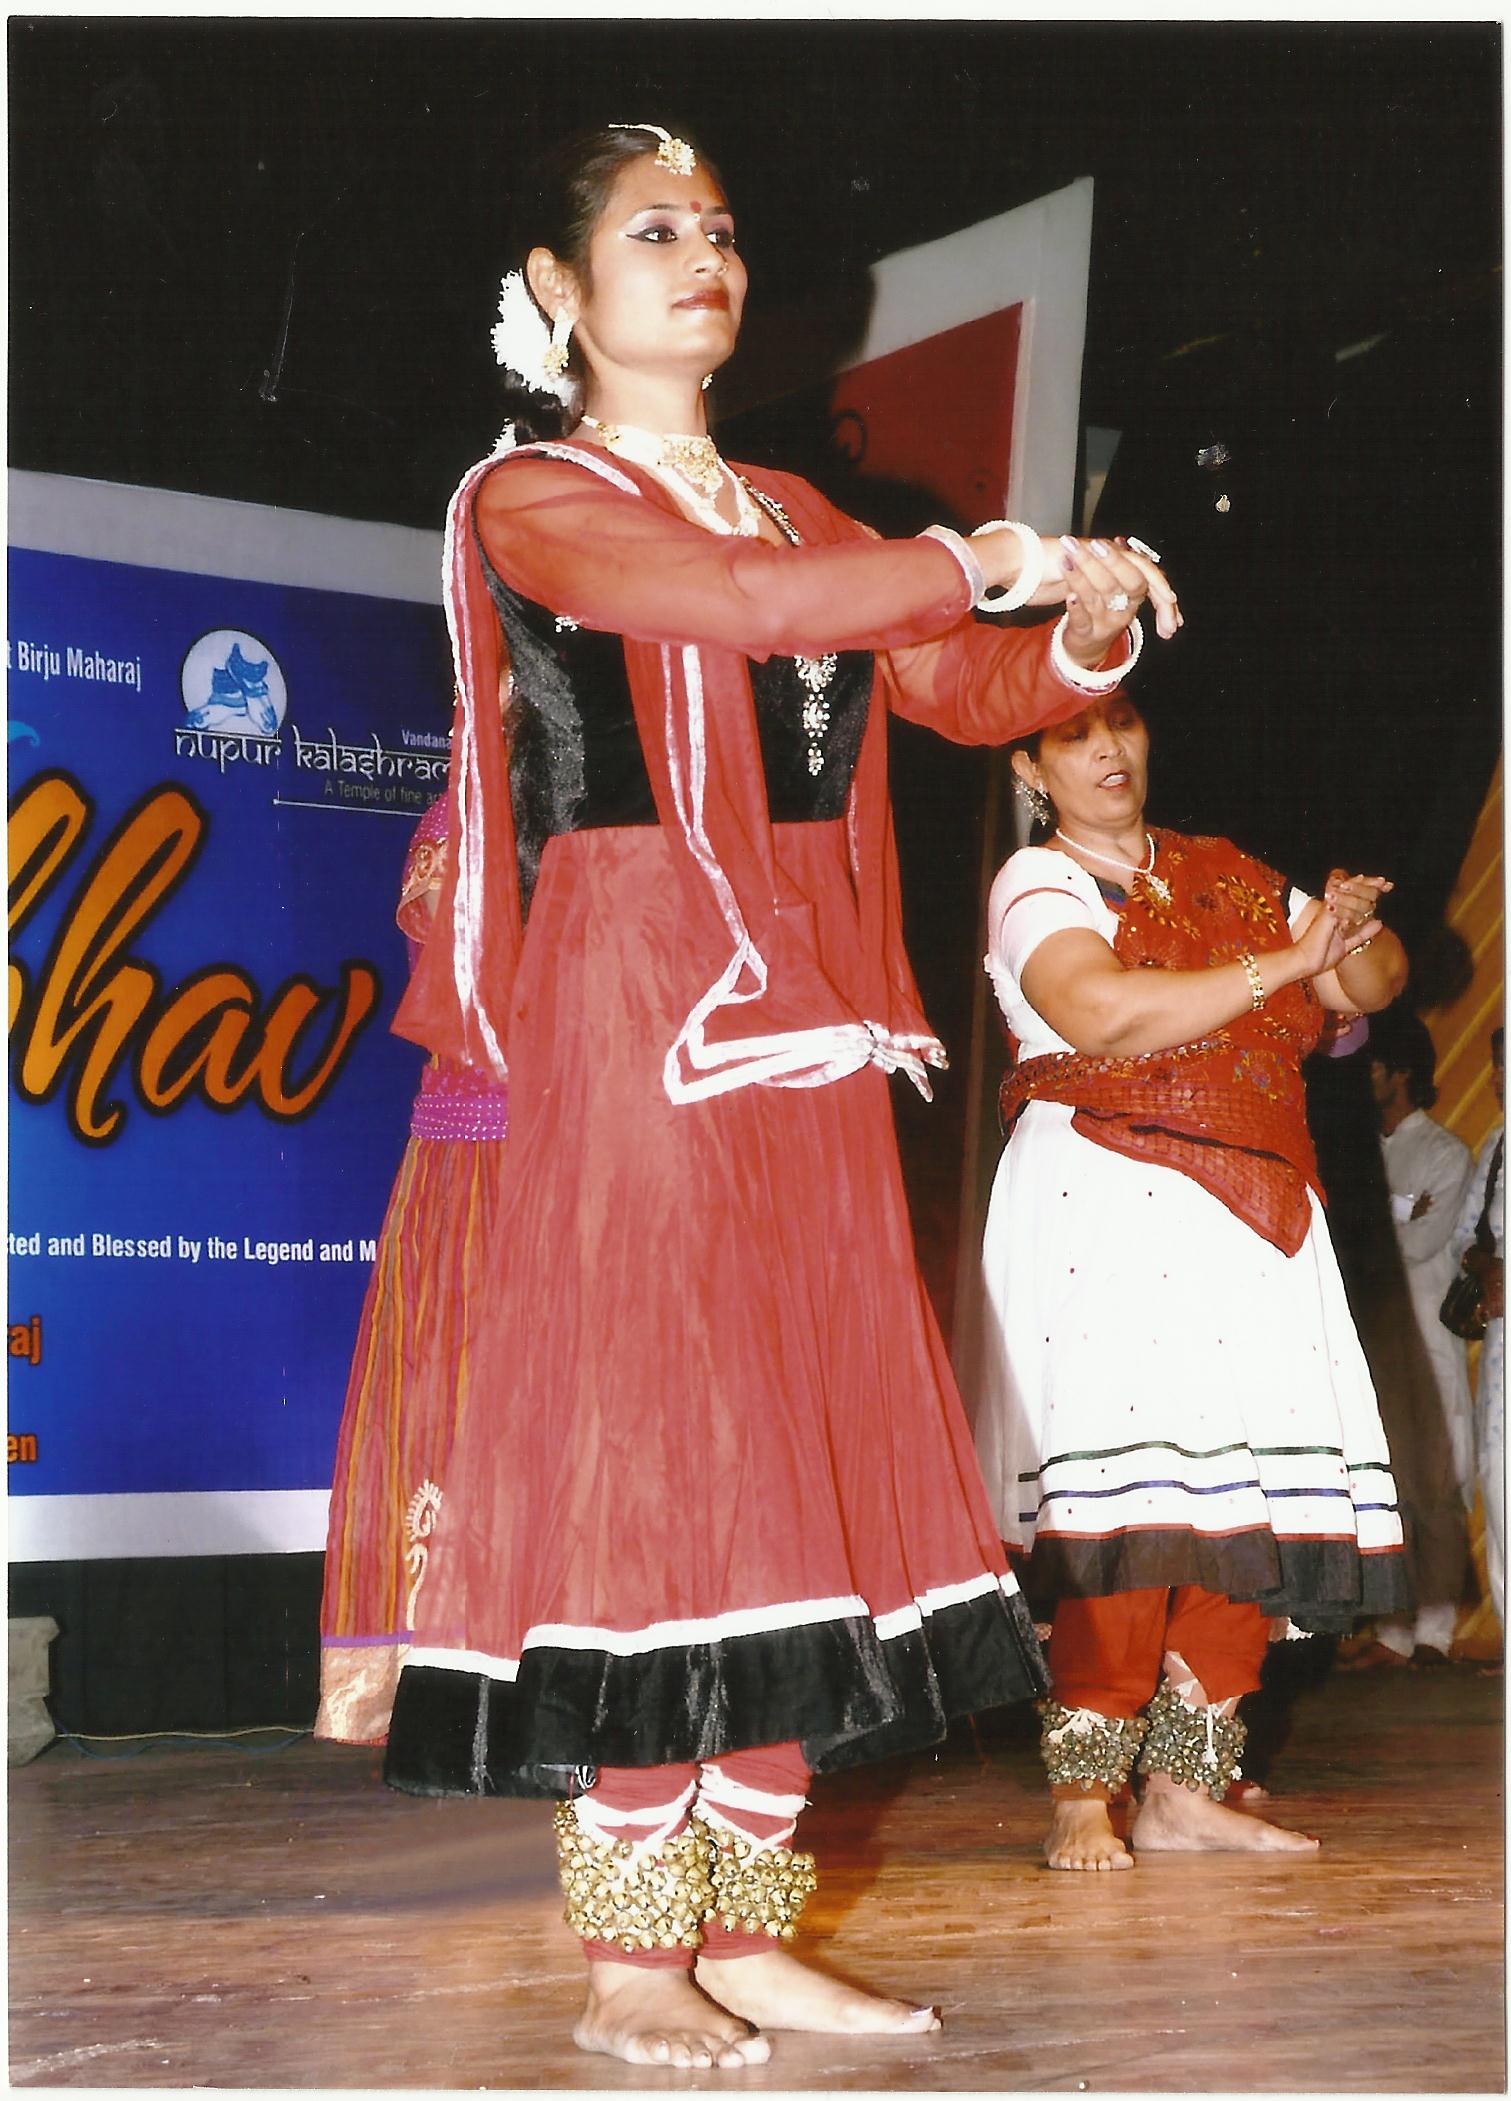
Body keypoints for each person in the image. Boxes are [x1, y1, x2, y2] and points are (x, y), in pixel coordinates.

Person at [373, 122, 1180, 2070]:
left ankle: (744, 1924)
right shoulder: (531, 501)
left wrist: (1074, 623)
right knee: (657, 1457)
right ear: (559, 290)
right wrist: (967, 557)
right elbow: (744, 617)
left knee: (788, 1459)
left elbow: (952, 690)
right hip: (629, 1007)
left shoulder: (791, 502)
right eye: (653, 232)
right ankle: (627, 1958)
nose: (702, 259)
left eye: (720, 232)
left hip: (809, 1028)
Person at [972, 691, 1410, 1872]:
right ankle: (1081, 1787)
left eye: (1119, 724)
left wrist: (1350, 934)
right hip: (1108, 1190)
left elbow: (1363, 989)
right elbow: (1098, 1009)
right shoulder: (1036, 885)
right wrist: (1286, 959)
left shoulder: (1220, 869)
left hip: (1257, 1199)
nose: (1107, 750)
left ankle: (1186, 1780)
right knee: (1127, 1499)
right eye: (1071, 735)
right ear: (1030, 766)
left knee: (1248, 1494)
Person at [317, 791, 510, 1745]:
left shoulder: (601, 792)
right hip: (478, 1141)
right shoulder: (460, 814)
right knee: (454, 1386)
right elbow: (457, 974)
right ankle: (454, 1671)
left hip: (583, 1140)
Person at [1345, 1010, 1476, 1665]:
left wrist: (1377, 1235)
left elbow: (1422, 1244)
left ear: (1400, 1073)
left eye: (1372, 1064)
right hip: (1370, 1350)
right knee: (1385, 1490)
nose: (1363, 1076)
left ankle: (1434, 1636)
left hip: (1425, 1346)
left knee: (1432, 1491)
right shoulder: (1360, 1153)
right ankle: (1392, 1634)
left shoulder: (1444, 1153)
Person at [1447, 1027, 1504, 1634]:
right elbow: (1466, 1235)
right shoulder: (1495, 1145)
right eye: (1493, 1069)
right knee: (1497, 1479)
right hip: (1500, 1352)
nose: (1497, 1081)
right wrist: (1484, 1266)